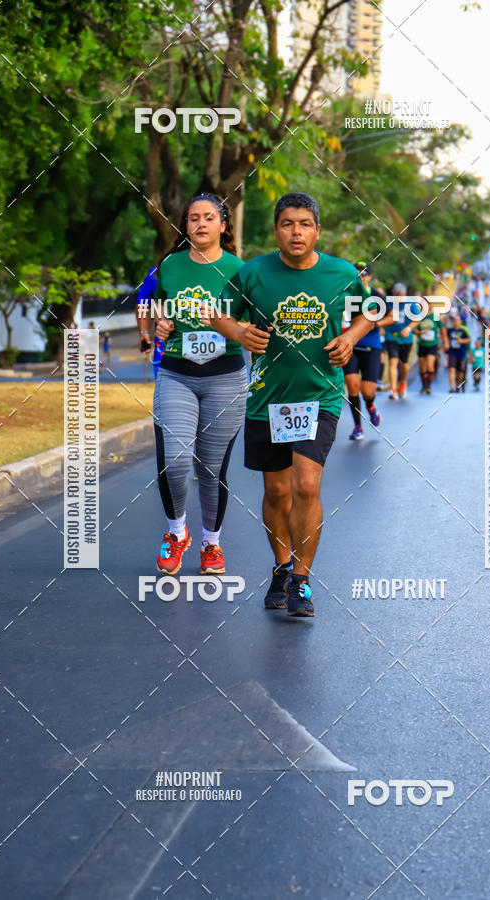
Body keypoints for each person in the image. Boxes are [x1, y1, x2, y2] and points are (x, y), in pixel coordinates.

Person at [203, 192, 376, 617]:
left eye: (304, 224)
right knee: (276, 490)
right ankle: (281, 566)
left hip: (320, 396)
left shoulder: (341, 273)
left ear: (317, 230)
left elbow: (371, 310)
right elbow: (215, 313)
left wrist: (350, 338)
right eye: (287, 224)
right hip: (268, 399)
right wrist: (240, 333)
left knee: (305, 484)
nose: (296, 231)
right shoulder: (254, 272)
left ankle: (301, 578)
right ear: (276, 230)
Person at [152, 193, 247, 577]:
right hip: (177, 373)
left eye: (210, 218)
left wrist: (231, 329)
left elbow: (254, 325)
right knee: (174, 462)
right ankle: (177, 533)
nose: (201, 224)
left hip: (224, 376)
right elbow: (160, 306)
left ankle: (212, 543)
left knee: (211, 470)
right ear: (185, 225)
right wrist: (161, 325)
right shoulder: (171, 266)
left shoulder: (241, 270)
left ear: (224, 225)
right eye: (193, 218)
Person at [343, 261, 389, 440]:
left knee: (367, 391)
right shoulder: (345, 294)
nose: (360, 277)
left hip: (372, 346)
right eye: (357, 274)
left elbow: (392, 316)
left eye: (363, 274)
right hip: (351, 345)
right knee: (352, 385)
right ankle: (357, 426)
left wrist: (374, 324)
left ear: (369, 277)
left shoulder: (376, 296)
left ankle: (370, 405)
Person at [383, 283, 420, 400]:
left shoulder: (409, 303)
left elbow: (418, 318)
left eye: (401, 296)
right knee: (393, 362)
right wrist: (381, 327)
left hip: (406, 338)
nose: (399, 298)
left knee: (404, 363)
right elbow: (380, 315)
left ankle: (403, 382)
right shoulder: (388, 303)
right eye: (397, 295)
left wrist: (409, 328)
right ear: (393, 294)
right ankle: (393, 390)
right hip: (391, 336)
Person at [137, 264, 165, 378]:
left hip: (213, 355)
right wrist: (144, 332)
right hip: (165, 356)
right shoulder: (157, 272)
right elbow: (143, 303)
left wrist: (144, 332)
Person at [414, 299, 447, 394]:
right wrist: (420, 332)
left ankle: (428, 385)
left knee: (430, 364)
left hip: (432, 345)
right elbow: (413, 330)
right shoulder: (418, 318)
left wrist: (445, 342)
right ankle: (423, 385)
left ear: (429, 306)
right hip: (422, 345)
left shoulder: (435, 317)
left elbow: (443, 329)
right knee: (422, 367)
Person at [445, 314, 471, 393]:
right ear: (452, 322)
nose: (456, 322)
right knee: (451, 369)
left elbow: (469, 340)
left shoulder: (463, 330)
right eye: (454, 320)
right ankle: (452, 388)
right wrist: (445, 346)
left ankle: (458, 385)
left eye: (458, 320)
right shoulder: (449, 330)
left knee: (461, 371)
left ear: (460, 321)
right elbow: (445, 338)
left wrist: (462, 341)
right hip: (452, 352)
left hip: (462, 353)